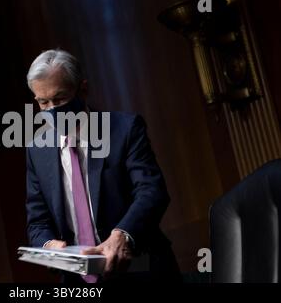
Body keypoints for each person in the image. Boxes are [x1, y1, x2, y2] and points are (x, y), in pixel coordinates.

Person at [25, 49, 181, 283]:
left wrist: (123, 235)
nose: (52, 111)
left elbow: (152, 191)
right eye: (43, 103)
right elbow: (37, 222)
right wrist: (49, 245)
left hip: (141, 271)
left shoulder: (125, 130)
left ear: (83, 90)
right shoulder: (37, 151)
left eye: (59, 100)